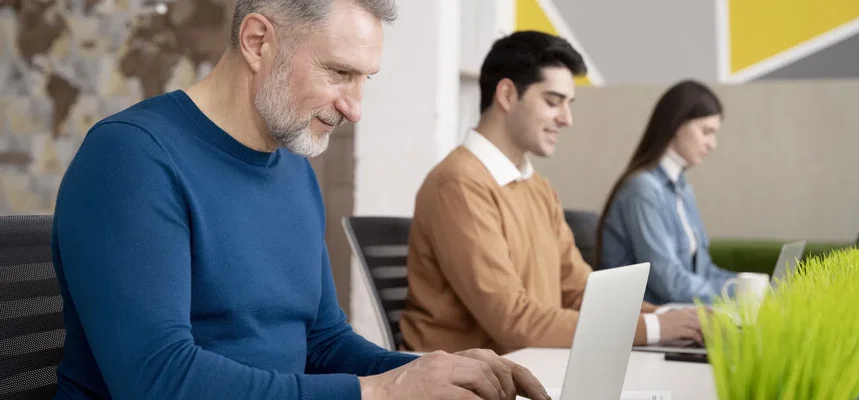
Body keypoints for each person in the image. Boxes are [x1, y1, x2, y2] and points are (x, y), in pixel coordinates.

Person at [50, 1, 551, 399]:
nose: (355, 109)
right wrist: (378, 392)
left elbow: (324, 343)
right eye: (338, 73)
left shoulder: (294, 169)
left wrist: (435, 372)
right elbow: (158, 381)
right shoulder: (131, 158)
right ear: (257, 41)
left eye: (364, 80)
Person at [398, 31, 703, 356]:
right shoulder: (459, 184)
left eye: (568, 105)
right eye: (553, 101)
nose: (567, 119)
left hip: (529, 367)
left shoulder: (538, 188)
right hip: (463, 381)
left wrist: (673, 318)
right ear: (506, 94)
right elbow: (512, 321)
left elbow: (580, 291)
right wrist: (654, 330)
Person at [596, 80, 737, 305]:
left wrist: (748, 285)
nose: (713, 144)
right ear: (677, 125)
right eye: (706, 131)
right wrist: (740, 294)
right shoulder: (642, 190)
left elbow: (703, 272)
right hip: (644, 322)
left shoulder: (682, 188)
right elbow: (669, 283)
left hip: (678, 314)